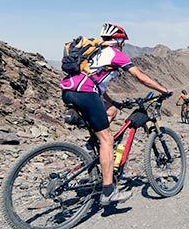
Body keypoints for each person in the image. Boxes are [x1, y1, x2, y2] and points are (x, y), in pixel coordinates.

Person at [60, 23, 171, 206]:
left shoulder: (93, 52)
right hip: (86, 93)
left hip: (69, 91)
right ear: (118, 40)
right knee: (107, 139)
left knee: (112, 110)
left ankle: (90, 148)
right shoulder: (114, 54)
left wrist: (112, 102)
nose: (122, 45)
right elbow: (141, 77)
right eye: (123, 42)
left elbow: (93, 80)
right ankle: (108, 191)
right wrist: (163, 90)